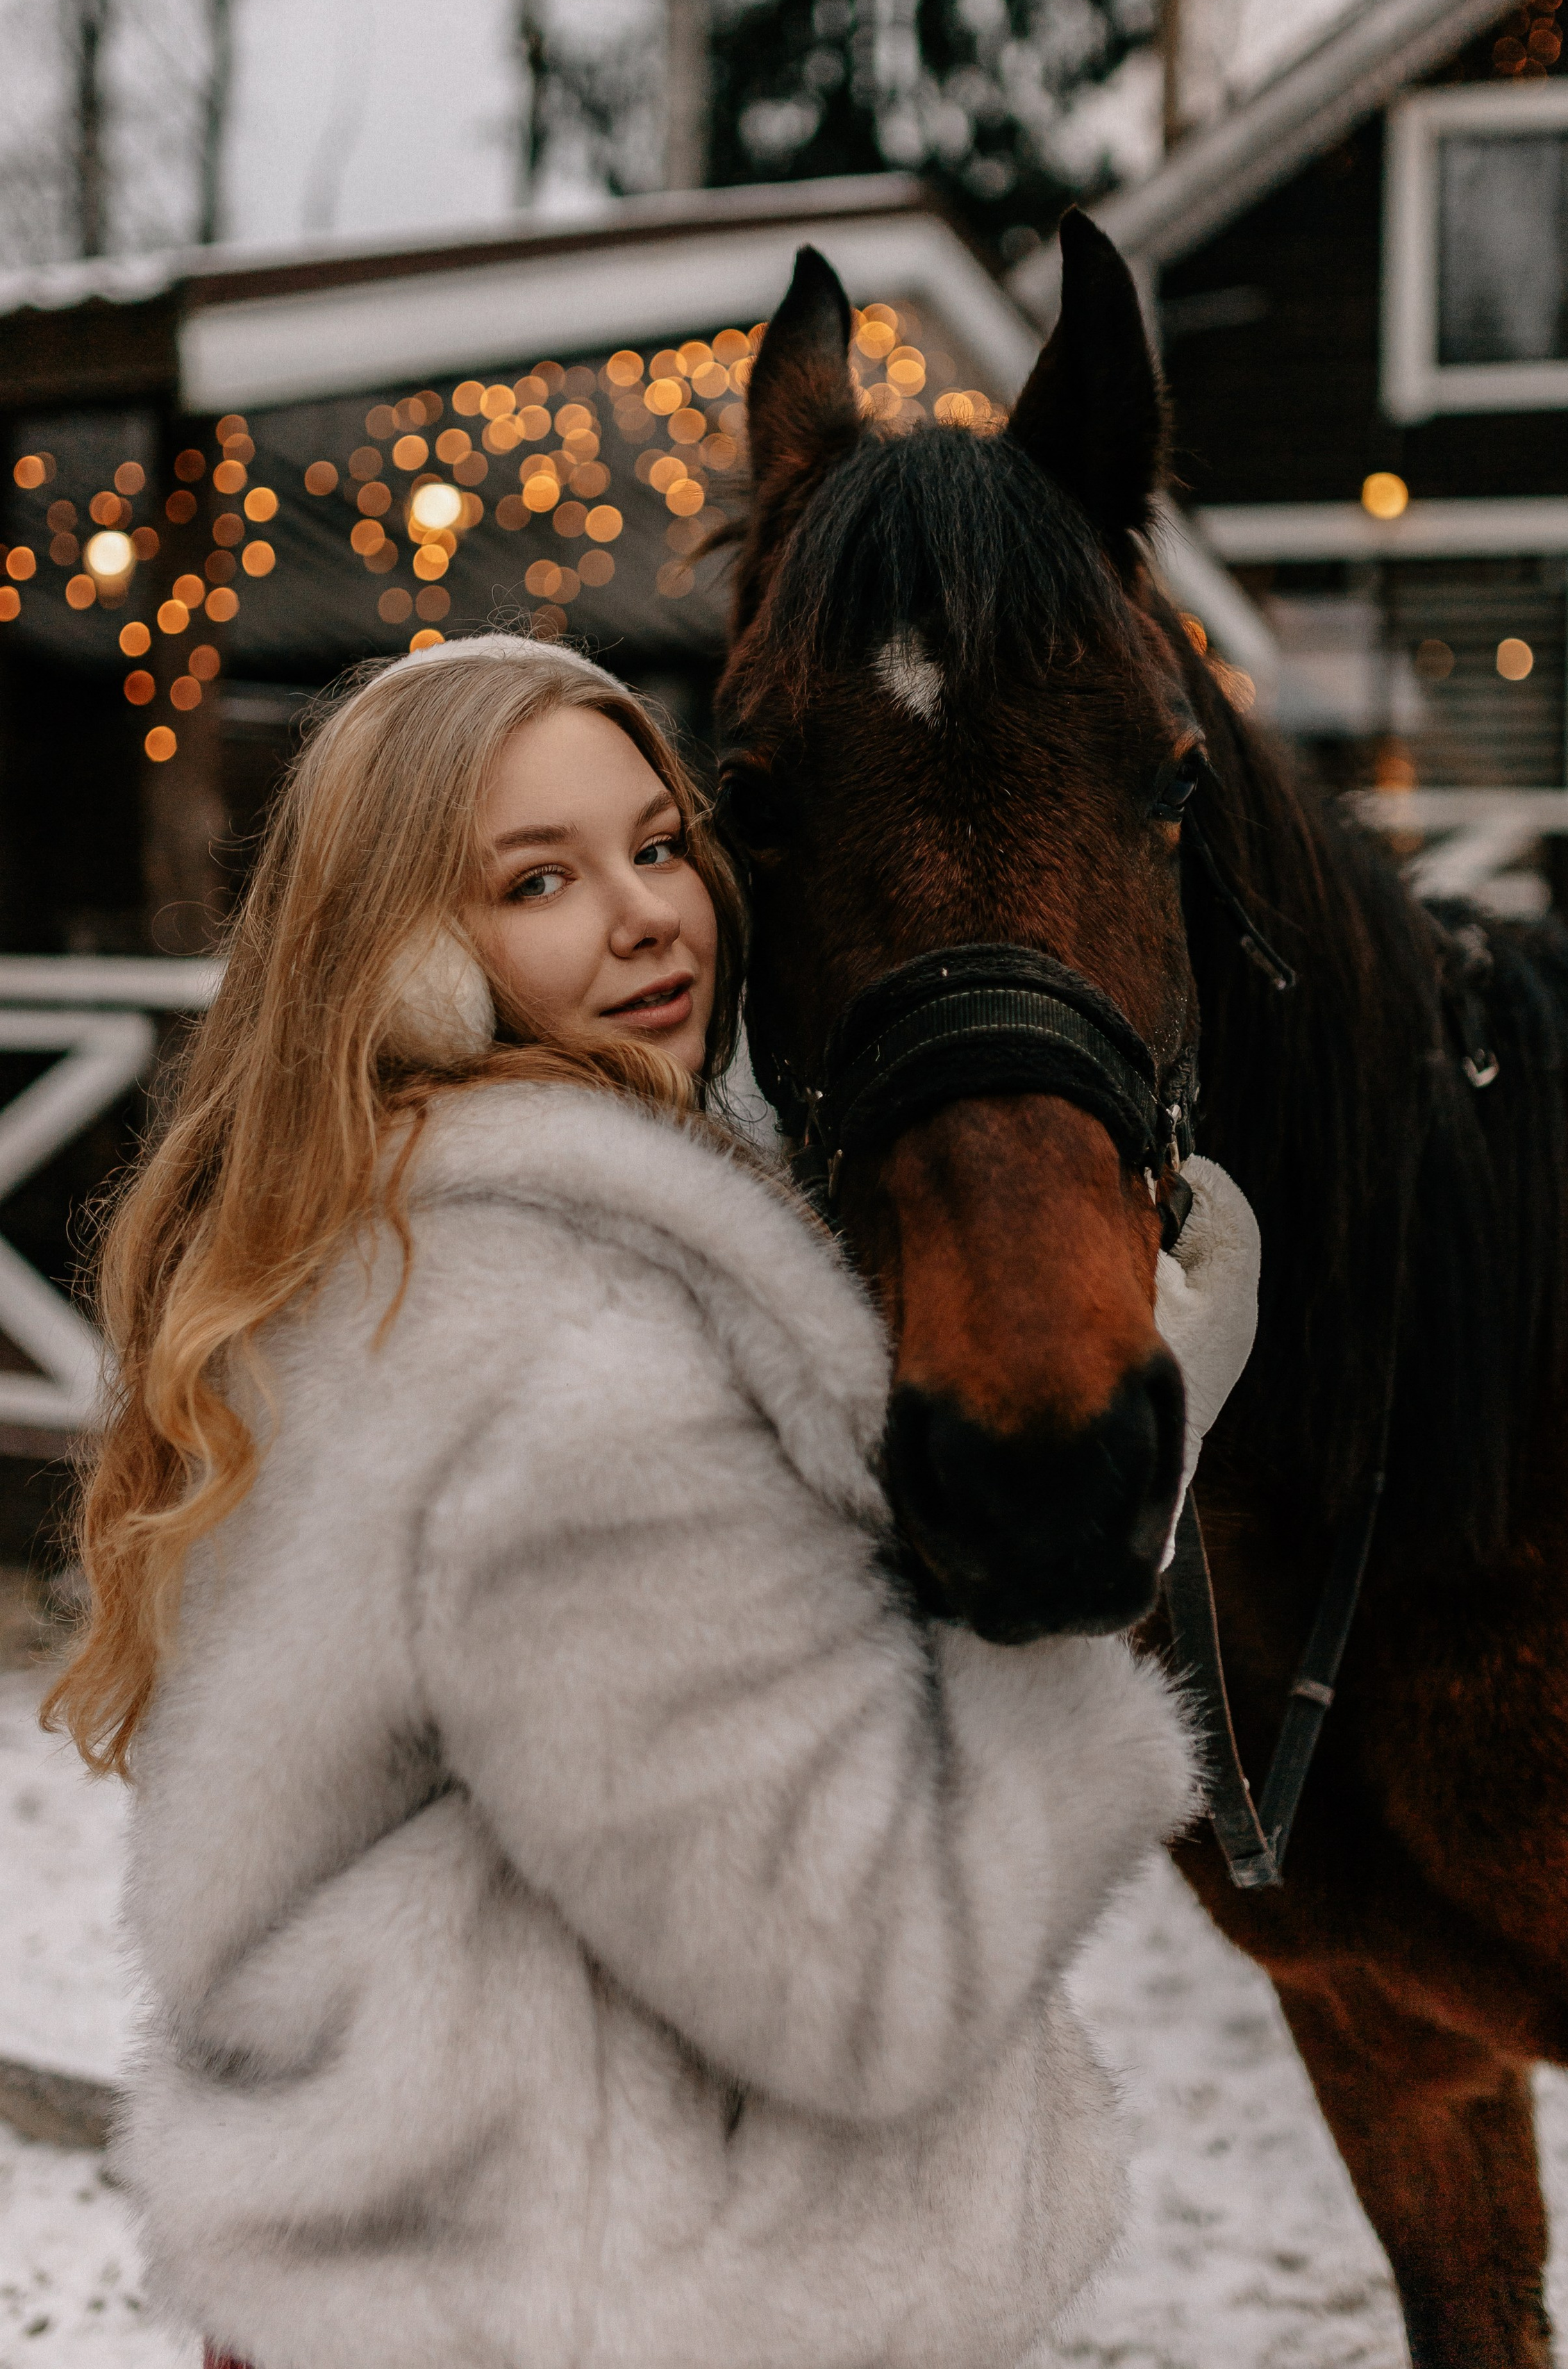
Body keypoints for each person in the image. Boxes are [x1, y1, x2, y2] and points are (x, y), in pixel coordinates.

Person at [45, 631, 1258, 2369]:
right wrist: (1103, 1499)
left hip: (433, 2276)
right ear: (409, 965)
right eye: (537, 879)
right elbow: (866, 1974)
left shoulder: (391, 1249)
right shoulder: (573, 1357)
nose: (644, 915)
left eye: (656, 842)